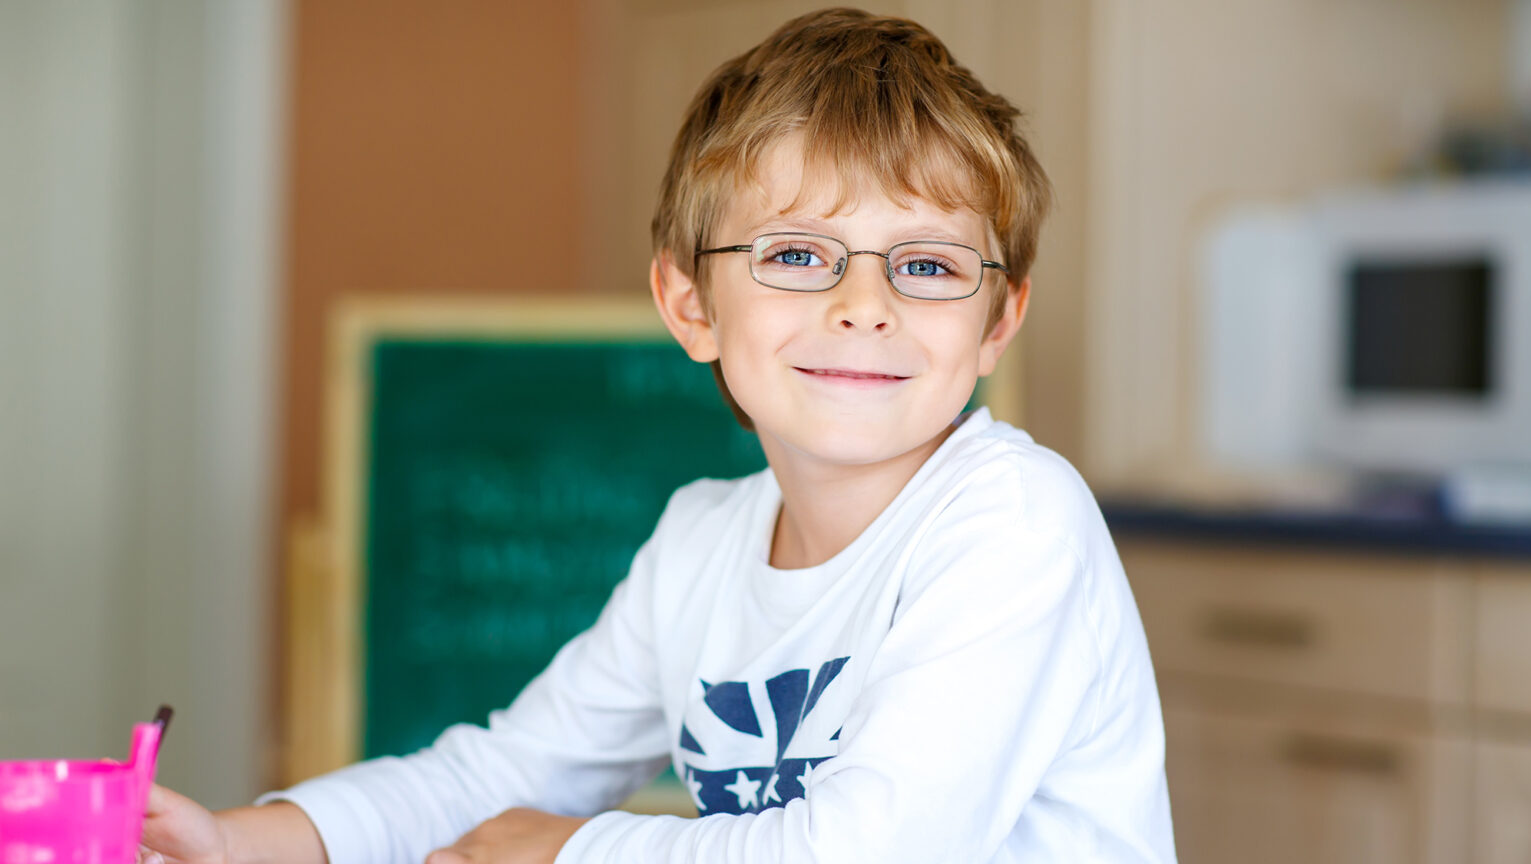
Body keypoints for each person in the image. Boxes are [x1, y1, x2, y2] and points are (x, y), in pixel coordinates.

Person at [139, 8, 1176, 863]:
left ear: (998, 320)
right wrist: (241, 841)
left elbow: (871, 851)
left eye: (929, 265)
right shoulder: (699, 547)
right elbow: (507, 773)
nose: (867, 305)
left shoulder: (1012, 522)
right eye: (798, 254)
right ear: (690, 307)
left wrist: (564, 853)